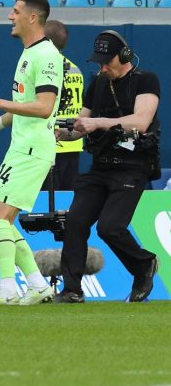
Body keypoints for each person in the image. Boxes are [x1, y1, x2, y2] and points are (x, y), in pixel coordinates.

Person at [55, 30, 160, 303]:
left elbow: (141, 122)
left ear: (124, 56)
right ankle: (72, 290)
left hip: (132, 166)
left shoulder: (145, 80)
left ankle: (144, 264)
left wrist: (97, 123)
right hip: (101, 166)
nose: (102, 68)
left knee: (110, 228)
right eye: (99, 62)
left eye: (107, 62)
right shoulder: (99, 83)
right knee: (75, 221)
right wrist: (61, 132)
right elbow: (82, 123)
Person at [0, 0, 62, 305]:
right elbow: (26, 104)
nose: (10, 17)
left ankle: (8, 287)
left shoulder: (46, 55)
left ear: (32, 17)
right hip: (21, 147)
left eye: (15, 11)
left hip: (32, 149)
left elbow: (44, 107)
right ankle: (37, 284)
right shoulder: (30, 52)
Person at [42, 19, 83, 192]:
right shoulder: (75, 69)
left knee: (48, 200)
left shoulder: (47, 68)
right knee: (66, 199)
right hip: (73, 142)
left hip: (53, 142)